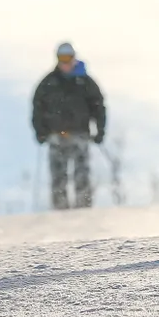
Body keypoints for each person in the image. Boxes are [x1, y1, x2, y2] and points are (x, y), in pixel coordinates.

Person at [32, 43, 106, 209]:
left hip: (80, 135)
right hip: (55, 136)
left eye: (69, 58)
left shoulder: (85, 82)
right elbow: (38, 107)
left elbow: (98, 107)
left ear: (74, 58)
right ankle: (60, 210)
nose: (66, 62)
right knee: (58, 176)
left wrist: (100, 130)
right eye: (62, 58)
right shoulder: (48, 83)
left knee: (82, 175)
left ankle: (83, 208)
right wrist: (40, 131)